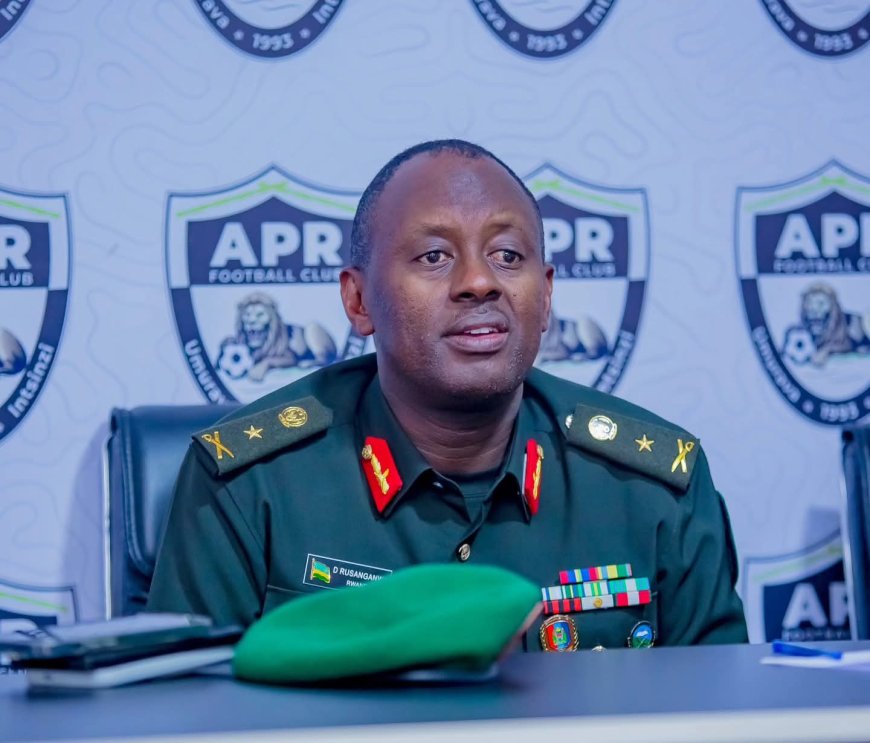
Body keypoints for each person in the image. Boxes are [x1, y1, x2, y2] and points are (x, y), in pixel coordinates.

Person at [147, 139, 747, 651]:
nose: (480, 282)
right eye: (434, 256)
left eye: (507, 255)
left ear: (545, 296)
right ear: (358, 301)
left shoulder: (655, 487)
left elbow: (723, 716)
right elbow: (187, 715)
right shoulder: (248, 484)